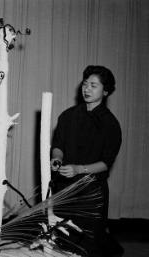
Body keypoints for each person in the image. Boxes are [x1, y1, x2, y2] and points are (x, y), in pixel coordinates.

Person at [50, 65, 122, 257]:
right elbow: (58, 145)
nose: (87, 89)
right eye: (85, 84)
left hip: (91, 193)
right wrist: (57, 158)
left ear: (105, 91)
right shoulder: (68, 116)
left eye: (93, 85)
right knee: (62, 241)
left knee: (89, 246)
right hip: (65, 189)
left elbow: (106, 163)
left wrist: (79, 169)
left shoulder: (110, 124)